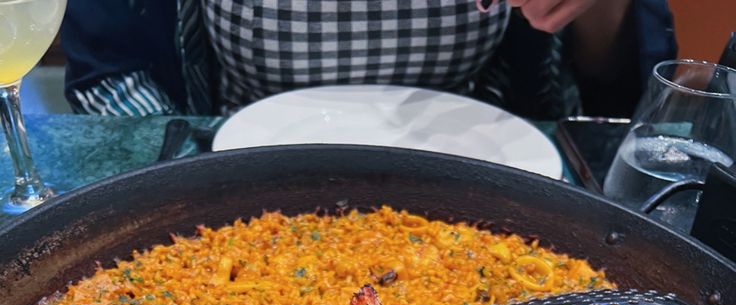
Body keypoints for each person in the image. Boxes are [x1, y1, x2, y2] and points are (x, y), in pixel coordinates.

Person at [60, 0, 676, 121]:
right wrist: (178, 157)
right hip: (234, 155)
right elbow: (110, 67)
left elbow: (610, 83)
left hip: (483, 155)